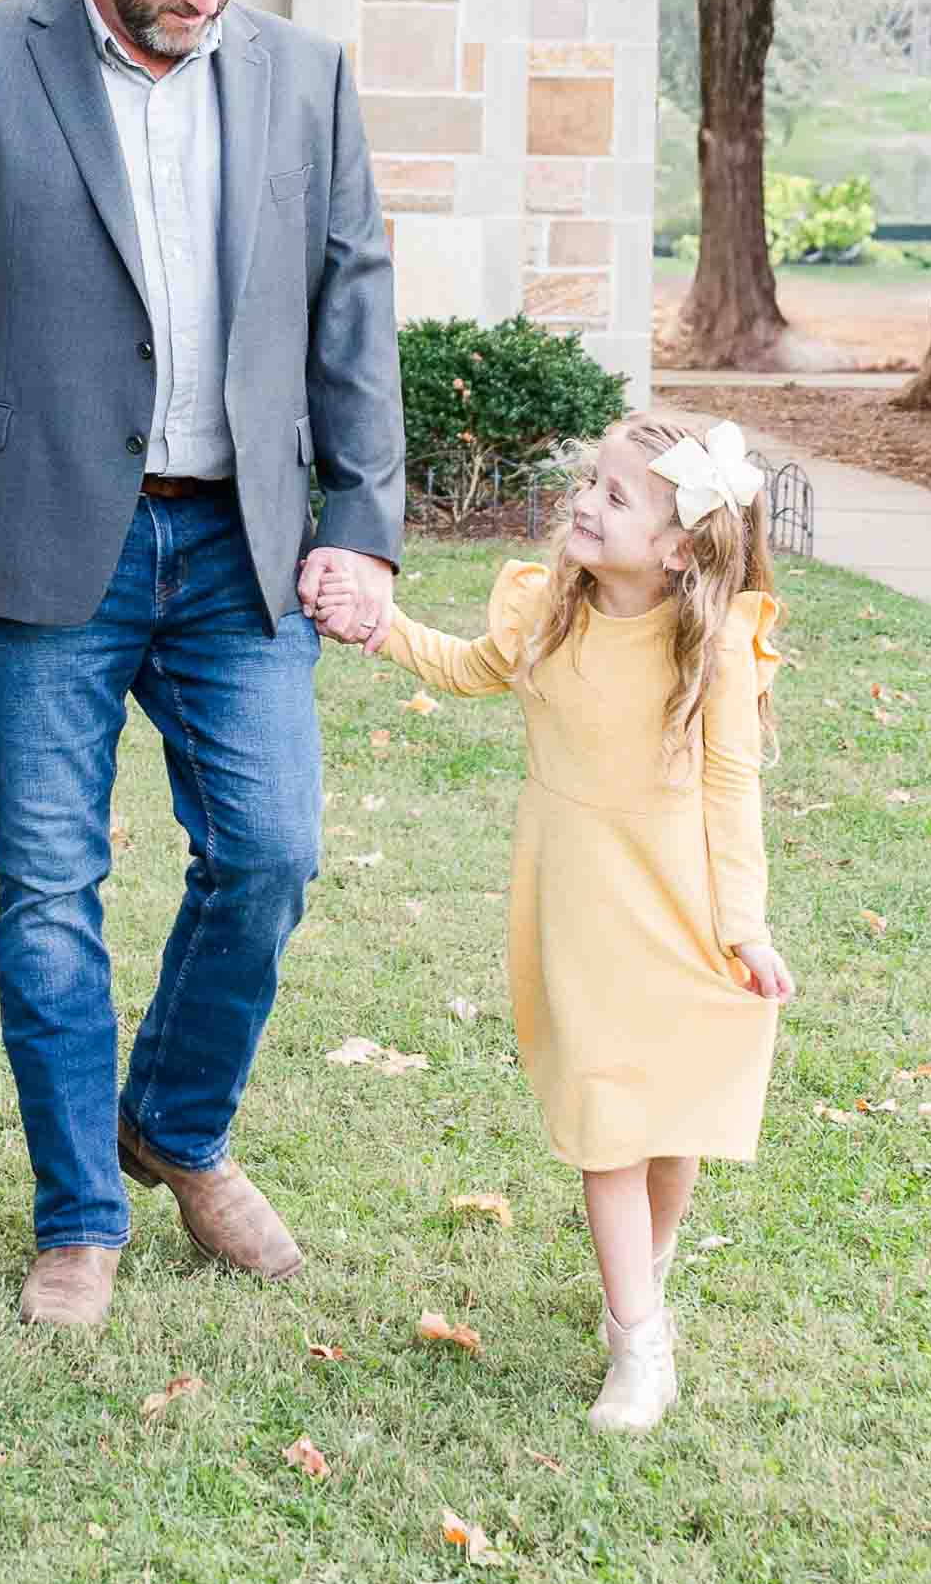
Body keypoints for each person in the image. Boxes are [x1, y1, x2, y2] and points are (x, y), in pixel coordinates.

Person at [0, 0, 403, 1334]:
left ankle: (177, 1125)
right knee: (47, 892)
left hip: (241, 544)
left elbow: (351, 301)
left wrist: (361, 524)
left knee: (270, 851)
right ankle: (79, 1209)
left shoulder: (303, 77)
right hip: (34, 540)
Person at [305, 414, 792, 1435]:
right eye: (587, 484)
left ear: (675, 545)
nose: (582, 503)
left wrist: (743, 929)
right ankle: (638, 1346)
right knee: (607, 1127)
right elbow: (465, 666)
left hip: (681, 906)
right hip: (577, 901)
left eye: (614, 497)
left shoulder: (707, 649)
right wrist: (373, 623)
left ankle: (640, 1279)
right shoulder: (549, 614)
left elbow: (730, 788)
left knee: (672, 1120)